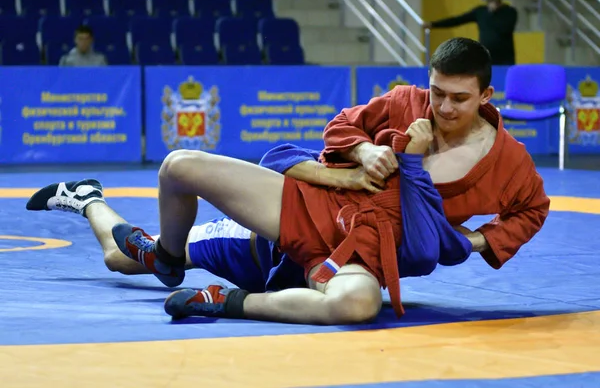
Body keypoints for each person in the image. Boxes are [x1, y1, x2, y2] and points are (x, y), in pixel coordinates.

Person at [99, 37, 549, 326]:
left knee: (357, 305)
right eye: (437, 93)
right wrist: (365, 150)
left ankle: (227, 300)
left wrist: (476, 242)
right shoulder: (403, 102)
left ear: (486, 96)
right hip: (308, 207)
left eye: (459, 99)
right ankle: (155, 248)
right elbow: (339, 127)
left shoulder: (509, 161)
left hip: (366, 255)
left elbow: (533, 209)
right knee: (174, 171)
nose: (444, 108)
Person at [25, 145, 385, 293]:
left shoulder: (401, 212)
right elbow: (283, 159)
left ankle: (155, 246)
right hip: (245, 242)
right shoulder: (350, 160)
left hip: (278, 263)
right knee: (118, 260)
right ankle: (88, 199)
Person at [423, 0, 517, 66]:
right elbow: (457, 20)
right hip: (485, 57)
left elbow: (506, 28)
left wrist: (493, 13)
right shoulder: (480, 11)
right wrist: (433, 24)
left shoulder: (509, 11)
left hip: (505, 59)